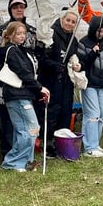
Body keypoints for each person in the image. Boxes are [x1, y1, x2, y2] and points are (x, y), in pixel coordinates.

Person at [0, 0, 38, 158]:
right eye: (15, 6)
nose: (19, 9)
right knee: (5, 118)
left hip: (26, 84)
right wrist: (4, 72)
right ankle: (7, 152)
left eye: (21, 6)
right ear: (10, 9)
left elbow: (36, 54)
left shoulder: (31, 30)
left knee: (24, 121)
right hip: (5, 82)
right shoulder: (1, 30)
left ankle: (23, 154)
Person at [0, 21, 50, 172]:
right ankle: (12, 162)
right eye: (18, 34)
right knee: (31, 128)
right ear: (10, 35)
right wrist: (40, 88)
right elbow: (23, 73)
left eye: (23, 33)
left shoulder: (22, 50)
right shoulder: (11, 50)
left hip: (23, 94)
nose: (22, 36)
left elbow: (31, 72)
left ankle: (26, 161)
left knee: (23, 129)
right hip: (16, 94)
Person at [35, 8, 81, 158]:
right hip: (50, 79)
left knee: (65, 111)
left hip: (66, 80)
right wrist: (55, 66)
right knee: (50, 111)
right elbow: (41, 58)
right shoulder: (50, 34)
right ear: (62, 20)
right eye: (68, 20)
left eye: (73, 22)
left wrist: (76, 65)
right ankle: (47, 144)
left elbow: (74, 56)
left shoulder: (73, 39)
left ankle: (61, 142)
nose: (70, 24)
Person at [77, 16, 103, 157]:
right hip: (89, 83)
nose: (101, 34)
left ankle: (96, 144)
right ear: (93, 29)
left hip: (102, 84)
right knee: (92, 115)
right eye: (99, 31)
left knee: (102, 115)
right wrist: (93, 52)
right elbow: (81, 64)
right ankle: (89, 147)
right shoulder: (84, 43)